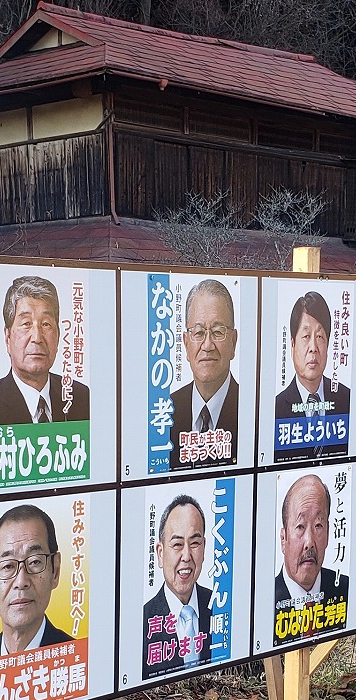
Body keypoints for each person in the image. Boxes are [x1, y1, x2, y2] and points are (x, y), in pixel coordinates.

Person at [0, 275, 92, 425]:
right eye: (26, 323)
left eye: (46, 324)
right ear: (7, 337)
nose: (37, 337)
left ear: (58, 335)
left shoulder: (82, 399)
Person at [0, 504, 70, 659]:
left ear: (56, 570)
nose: (21, 581)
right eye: (8, 566)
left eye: (34, 562)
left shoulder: (79, 658)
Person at [169, 280, 240, 468]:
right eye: (199, 333)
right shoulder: (165, 411)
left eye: (218, 332)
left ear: (233, 342)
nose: (207, 345)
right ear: (185, 343)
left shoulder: (252, 409)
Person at [274, 290, 350, 460]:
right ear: (292, 345)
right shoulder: (275, 408)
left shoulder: (348, 400)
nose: (313, 347)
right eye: (306, 336)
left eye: (320, 337)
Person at [142, 496, 212, 678]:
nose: (187, 555)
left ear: (204, 547)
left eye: (195, 543)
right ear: (160, 552)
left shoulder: (220, 605)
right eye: (177, 544)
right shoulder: (141, 621)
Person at [273, 474, 348, 614]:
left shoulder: (347, 590)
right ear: (283, 539)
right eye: (300, 526)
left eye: (318, 525)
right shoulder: (264, 599)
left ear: (328, 533)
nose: (309, 542)